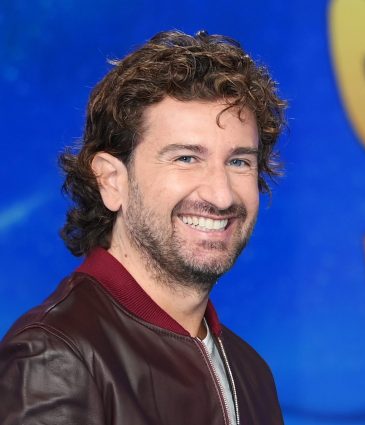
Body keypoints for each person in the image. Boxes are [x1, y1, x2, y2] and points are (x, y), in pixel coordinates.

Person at [0, 30, 286, 425]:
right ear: (111, 181)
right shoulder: (55, 357)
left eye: (239, 162)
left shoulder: (251, 373)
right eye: (186, 158)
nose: (221, 195)